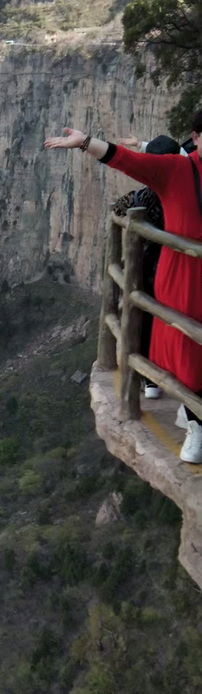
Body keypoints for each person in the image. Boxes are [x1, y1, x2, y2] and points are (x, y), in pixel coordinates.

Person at [45, 114, 202, 464]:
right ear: (196, 137)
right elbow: (128, 160)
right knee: (188, 355)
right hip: (184, 279)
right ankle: (196, 423)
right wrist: (86, 142)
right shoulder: (177, 171)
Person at [110, 136, 180, 400]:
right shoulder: (187, 196)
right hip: (183, 269)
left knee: (147, 317)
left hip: (150, 268)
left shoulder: (140, 197)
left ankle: (150, 379)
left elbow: (117, 210)